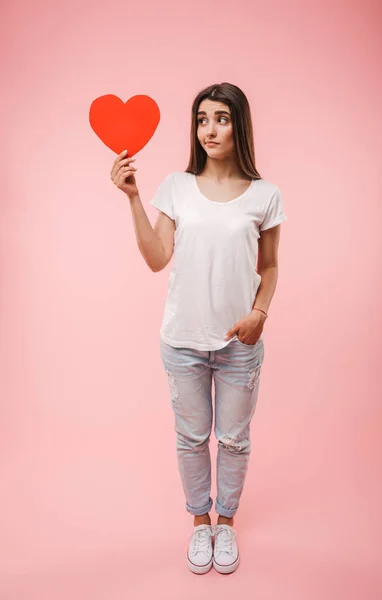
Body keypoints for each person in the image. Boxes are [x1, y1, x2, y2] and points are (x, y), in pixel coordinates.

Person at [110, 82, 287, 575]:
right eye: (202, 119)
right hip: (182, 341)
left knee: (233, 439)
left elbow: (269, 267)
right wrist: (133, 198)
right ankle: (199, 523)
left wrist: (260, 313)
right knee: (191, 438)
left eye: (222, 118)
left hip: (239, 342)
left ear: (240, 125)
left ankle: (225, 524)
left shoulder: (265, 195)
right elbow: (156, 259)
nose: (210, 129)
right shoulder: (176, 186)